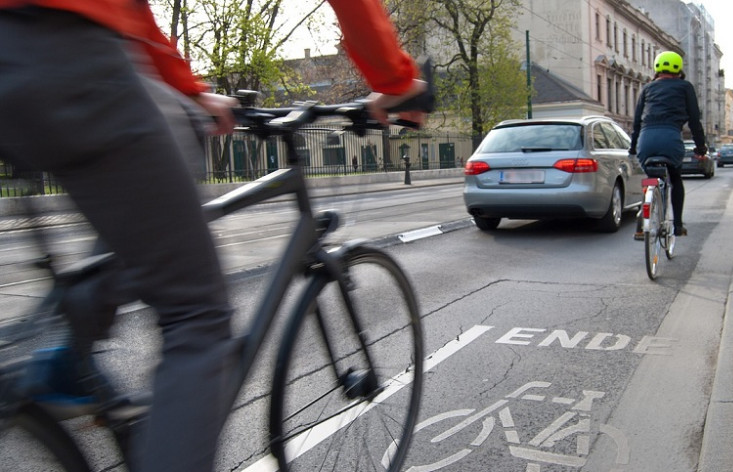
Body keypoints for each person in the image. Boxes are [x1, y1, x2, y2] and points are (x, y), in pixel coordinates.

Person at [0, 1, 425, 471]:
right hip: (66, 54)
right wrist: (396, 82)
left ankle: (72, 352)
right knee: (198, 318)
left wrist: (192, 92)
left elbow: (133, 16)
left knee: (178, 127)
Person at [630, 51, 707, 238]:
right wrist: (701, 148)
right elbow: (695, 121)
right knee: (675, 179)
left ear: (656, 68)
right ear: (678, 69)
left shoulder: (647, 89)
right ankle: (678, 226)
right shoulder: (685, 87)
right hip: (671, 139)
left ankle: (643, 218)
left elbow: (637, 122)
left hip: (646, 141)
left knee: (650, 180)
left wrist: (633, 148)